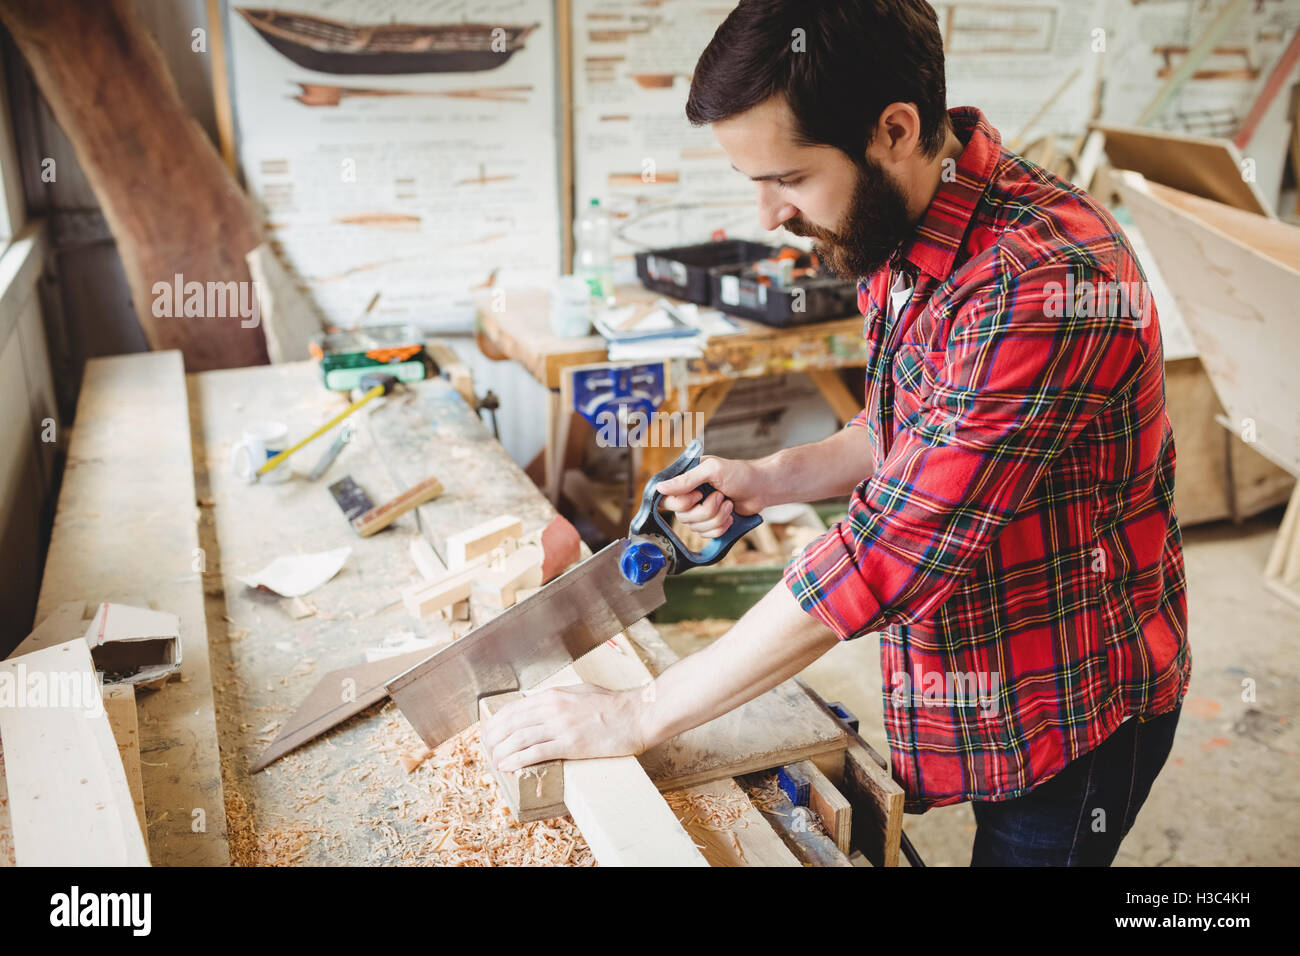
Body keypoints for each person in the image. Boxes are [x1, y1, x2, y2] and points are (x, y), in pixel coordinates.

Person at [483, 0, 1190, 866]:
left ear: (894, 129)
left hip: (1069, 696)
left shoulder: (1041, 285)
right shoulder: (909, 216)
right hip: (980, 663)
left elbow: (885, 552)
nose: (767, 216)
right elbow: (908, 426)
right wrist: (775, 475)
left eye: (787, 179)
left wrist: (636, 713)